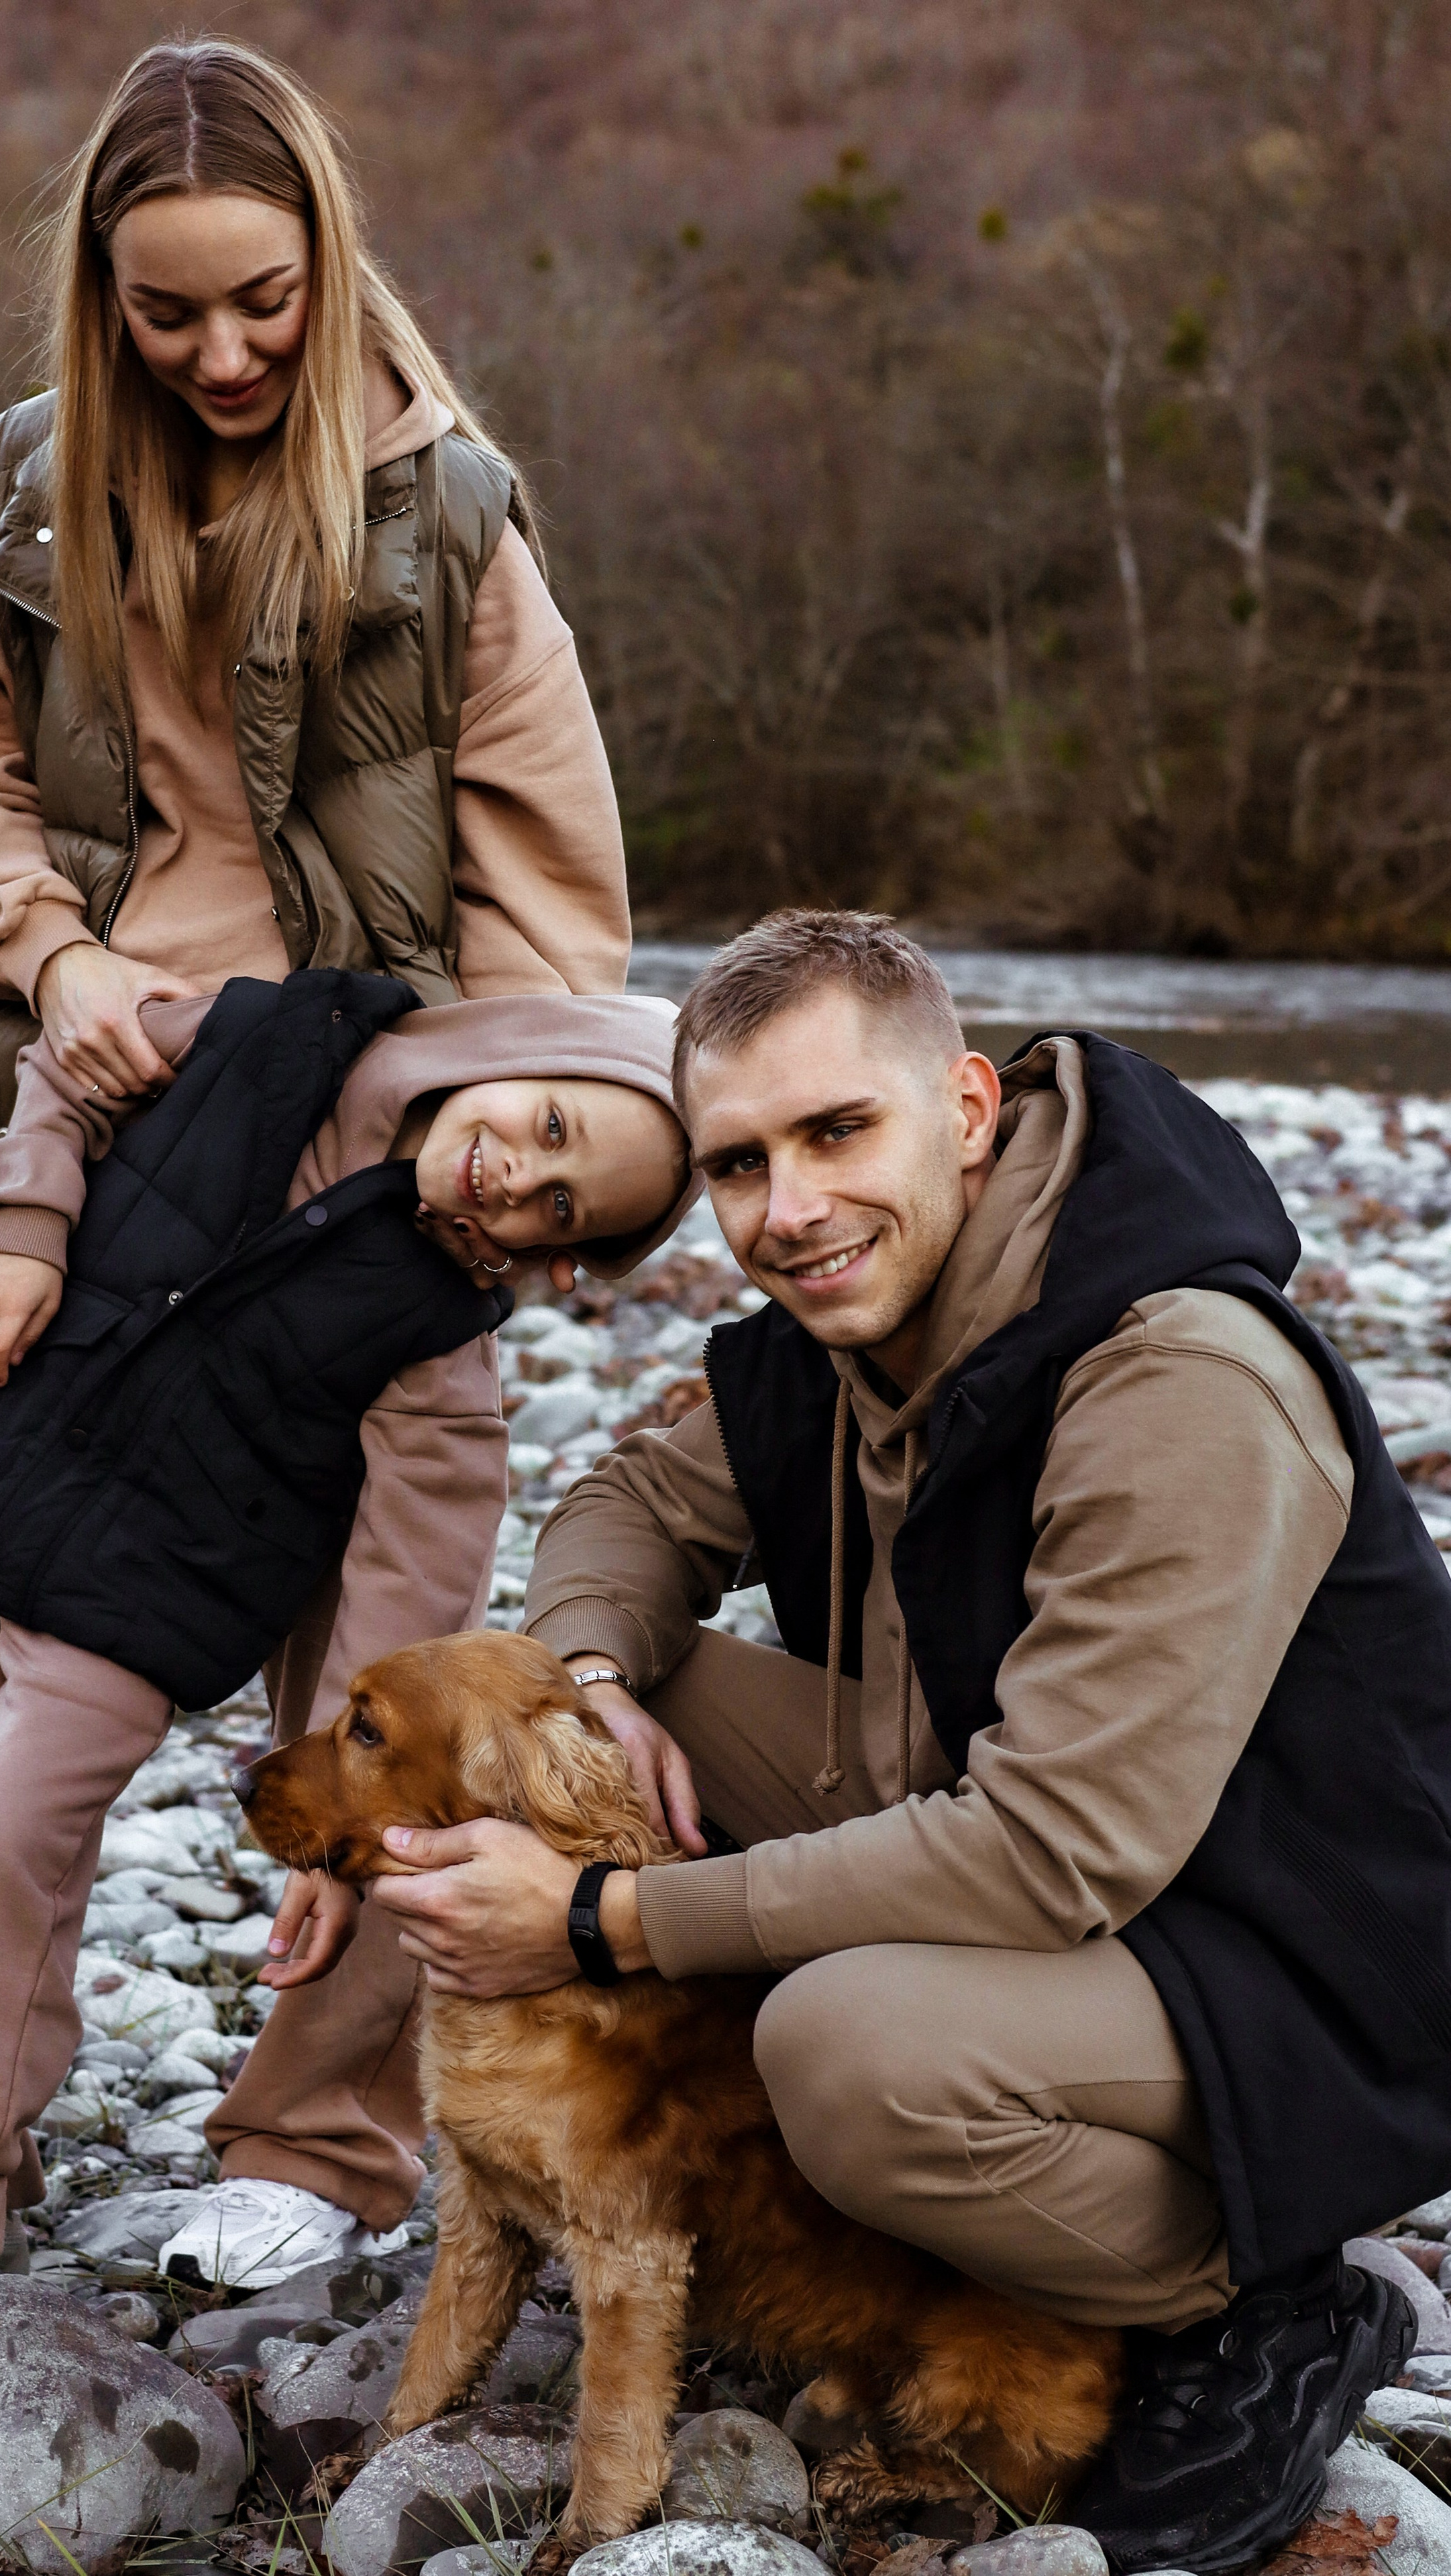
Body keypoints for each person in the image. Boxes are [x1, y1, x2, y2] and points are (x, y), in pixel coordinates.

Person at [0, 30, 630, 2281]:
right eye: (169, 310)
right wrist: (49, 972)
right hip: (82, 1109)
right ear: (101, 303)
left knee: (383, 1647)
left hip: (362, 1127)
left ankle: (313, 2145)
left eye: (267, 298)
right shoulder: (18, 505)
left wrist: (459, 1154)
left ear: (330, 266)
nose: (226, 350)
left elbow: (554, 899)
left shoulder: (457, 522)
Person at [333, 908, 1448, 2576]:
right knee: (601, 1726)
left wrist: (596, 1923)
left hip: (1291, 1968)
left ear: (971, 1110)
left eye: (835, 1130)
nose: (787, 1212)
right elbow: (626, 1500)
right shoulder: (849, 1330)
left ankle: (1256, 2295)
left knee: (846, 2055)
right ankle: (816, 2175)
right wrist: (592, 1681)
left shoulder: (1177, 1375)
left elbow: (1054, 1848)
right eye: (735, 1165)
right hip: (1049, 1853)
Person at [0, 968, 692, 2380]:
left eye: (559, 1210)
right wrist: (21, 1229)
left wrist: (345, 1823)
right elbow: (68, 1079)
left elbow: (412, 1578)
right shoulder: (274, 1032)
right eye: (549, 1125)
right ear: (514, 1053)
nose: (518, 1180)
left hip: (142, 1602)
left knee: (4, 1841)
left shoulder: (432, 1325)